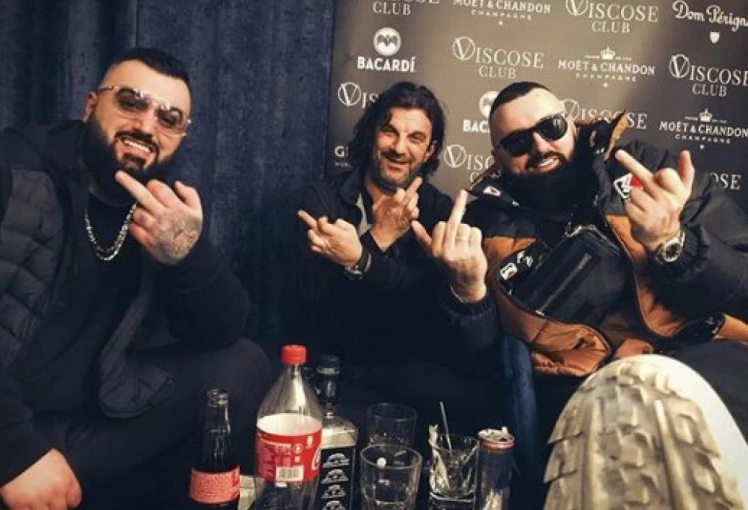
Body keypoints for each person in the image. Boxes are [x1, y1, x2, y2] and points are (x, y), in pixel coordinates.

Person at [429, 81, 748, 508]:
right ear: (498, 156)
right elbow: (482, 364)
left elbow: (740, 286)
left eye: (551, 127)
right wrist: (468, 292)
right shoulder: (480, 226)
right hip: (582, 384)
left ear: (572, 124)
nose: (541, 146)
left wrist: (674, 242)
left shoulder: (647, 170)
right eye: (519, 143)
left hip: (701, 350)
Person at [0, 47, 271, 510]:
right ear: (90, 106)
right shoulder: (5, 166)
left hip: (88, 414)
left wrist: (189, 256)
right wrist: (14, 451)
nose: (146, 127)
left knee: (242, 365)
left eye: (169, 119)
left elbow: (221, 331)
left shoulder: (160, 210)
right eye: (131, 102)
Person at [296, 81, 497, 439]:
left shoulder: (439, 211)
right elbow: (315, 302)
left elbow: (428, 303)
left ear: (430, 149)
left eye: (415, 138)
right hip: (336, 368)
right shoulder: (325, 200)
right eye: (389, 131)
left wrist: (361, 259)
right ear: (372, 134)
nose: (399, 148)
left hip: (412, 371)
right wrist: (380, 237)